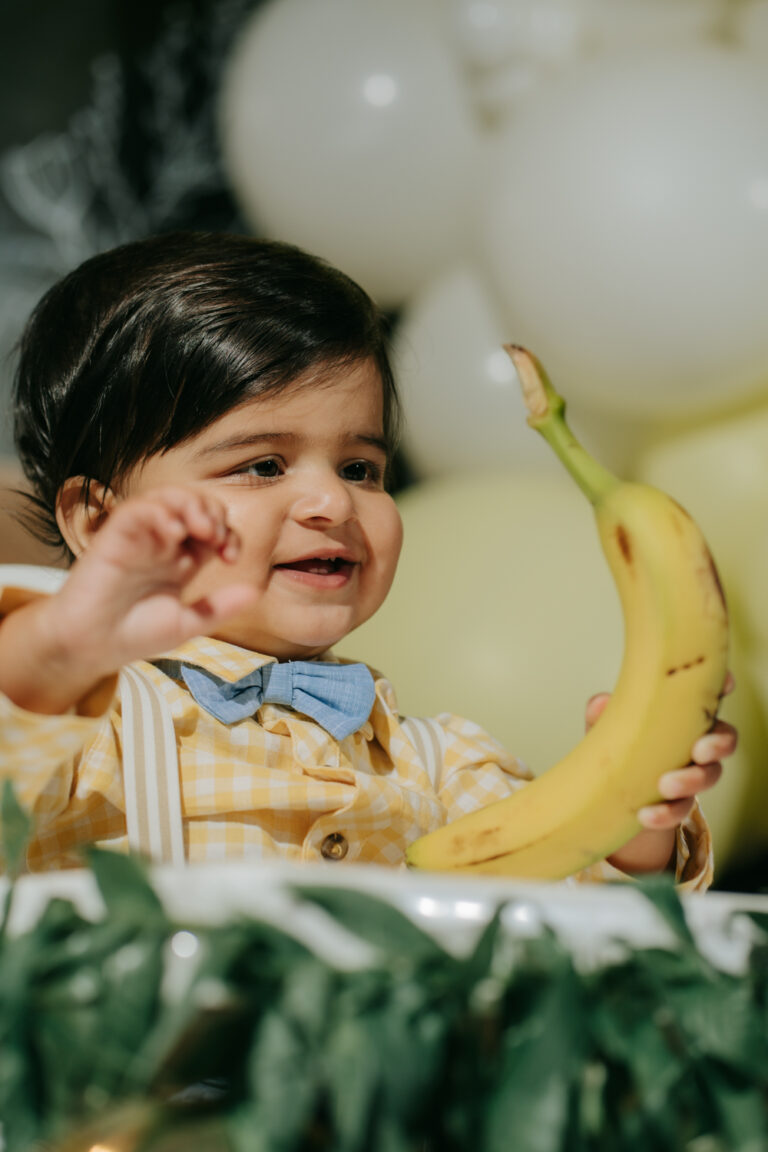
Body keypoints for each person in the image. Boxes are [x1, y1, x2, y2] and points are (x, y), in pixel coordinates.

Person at [0, 232, 734, 884]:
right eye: (262, 466)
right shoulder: (95, 732)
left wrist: (637, 818)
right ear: (98, 522)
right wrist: (58, 647)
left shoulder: (440, 764)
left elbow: (558, 916)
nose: (332, 503)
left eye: (360, 468)